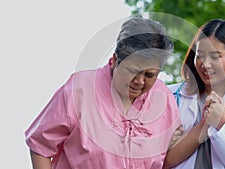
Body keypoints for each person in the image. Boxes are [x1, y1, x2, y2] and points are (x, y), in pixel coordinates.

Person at [25, 15, 181, 169]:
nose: (140, 81)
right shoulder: (80, 89)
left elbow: (167, 157)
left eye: (150, 75)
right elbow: (40, 146)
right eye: (133, 71)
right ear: (115, 59)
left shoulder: (164, 98)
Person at [163, 19, 225, 169]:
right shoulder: (170, 96)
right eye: (200, 55)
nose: (205, 64)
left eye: (215, 56)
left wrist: (223, 123)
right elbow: (151, 158)